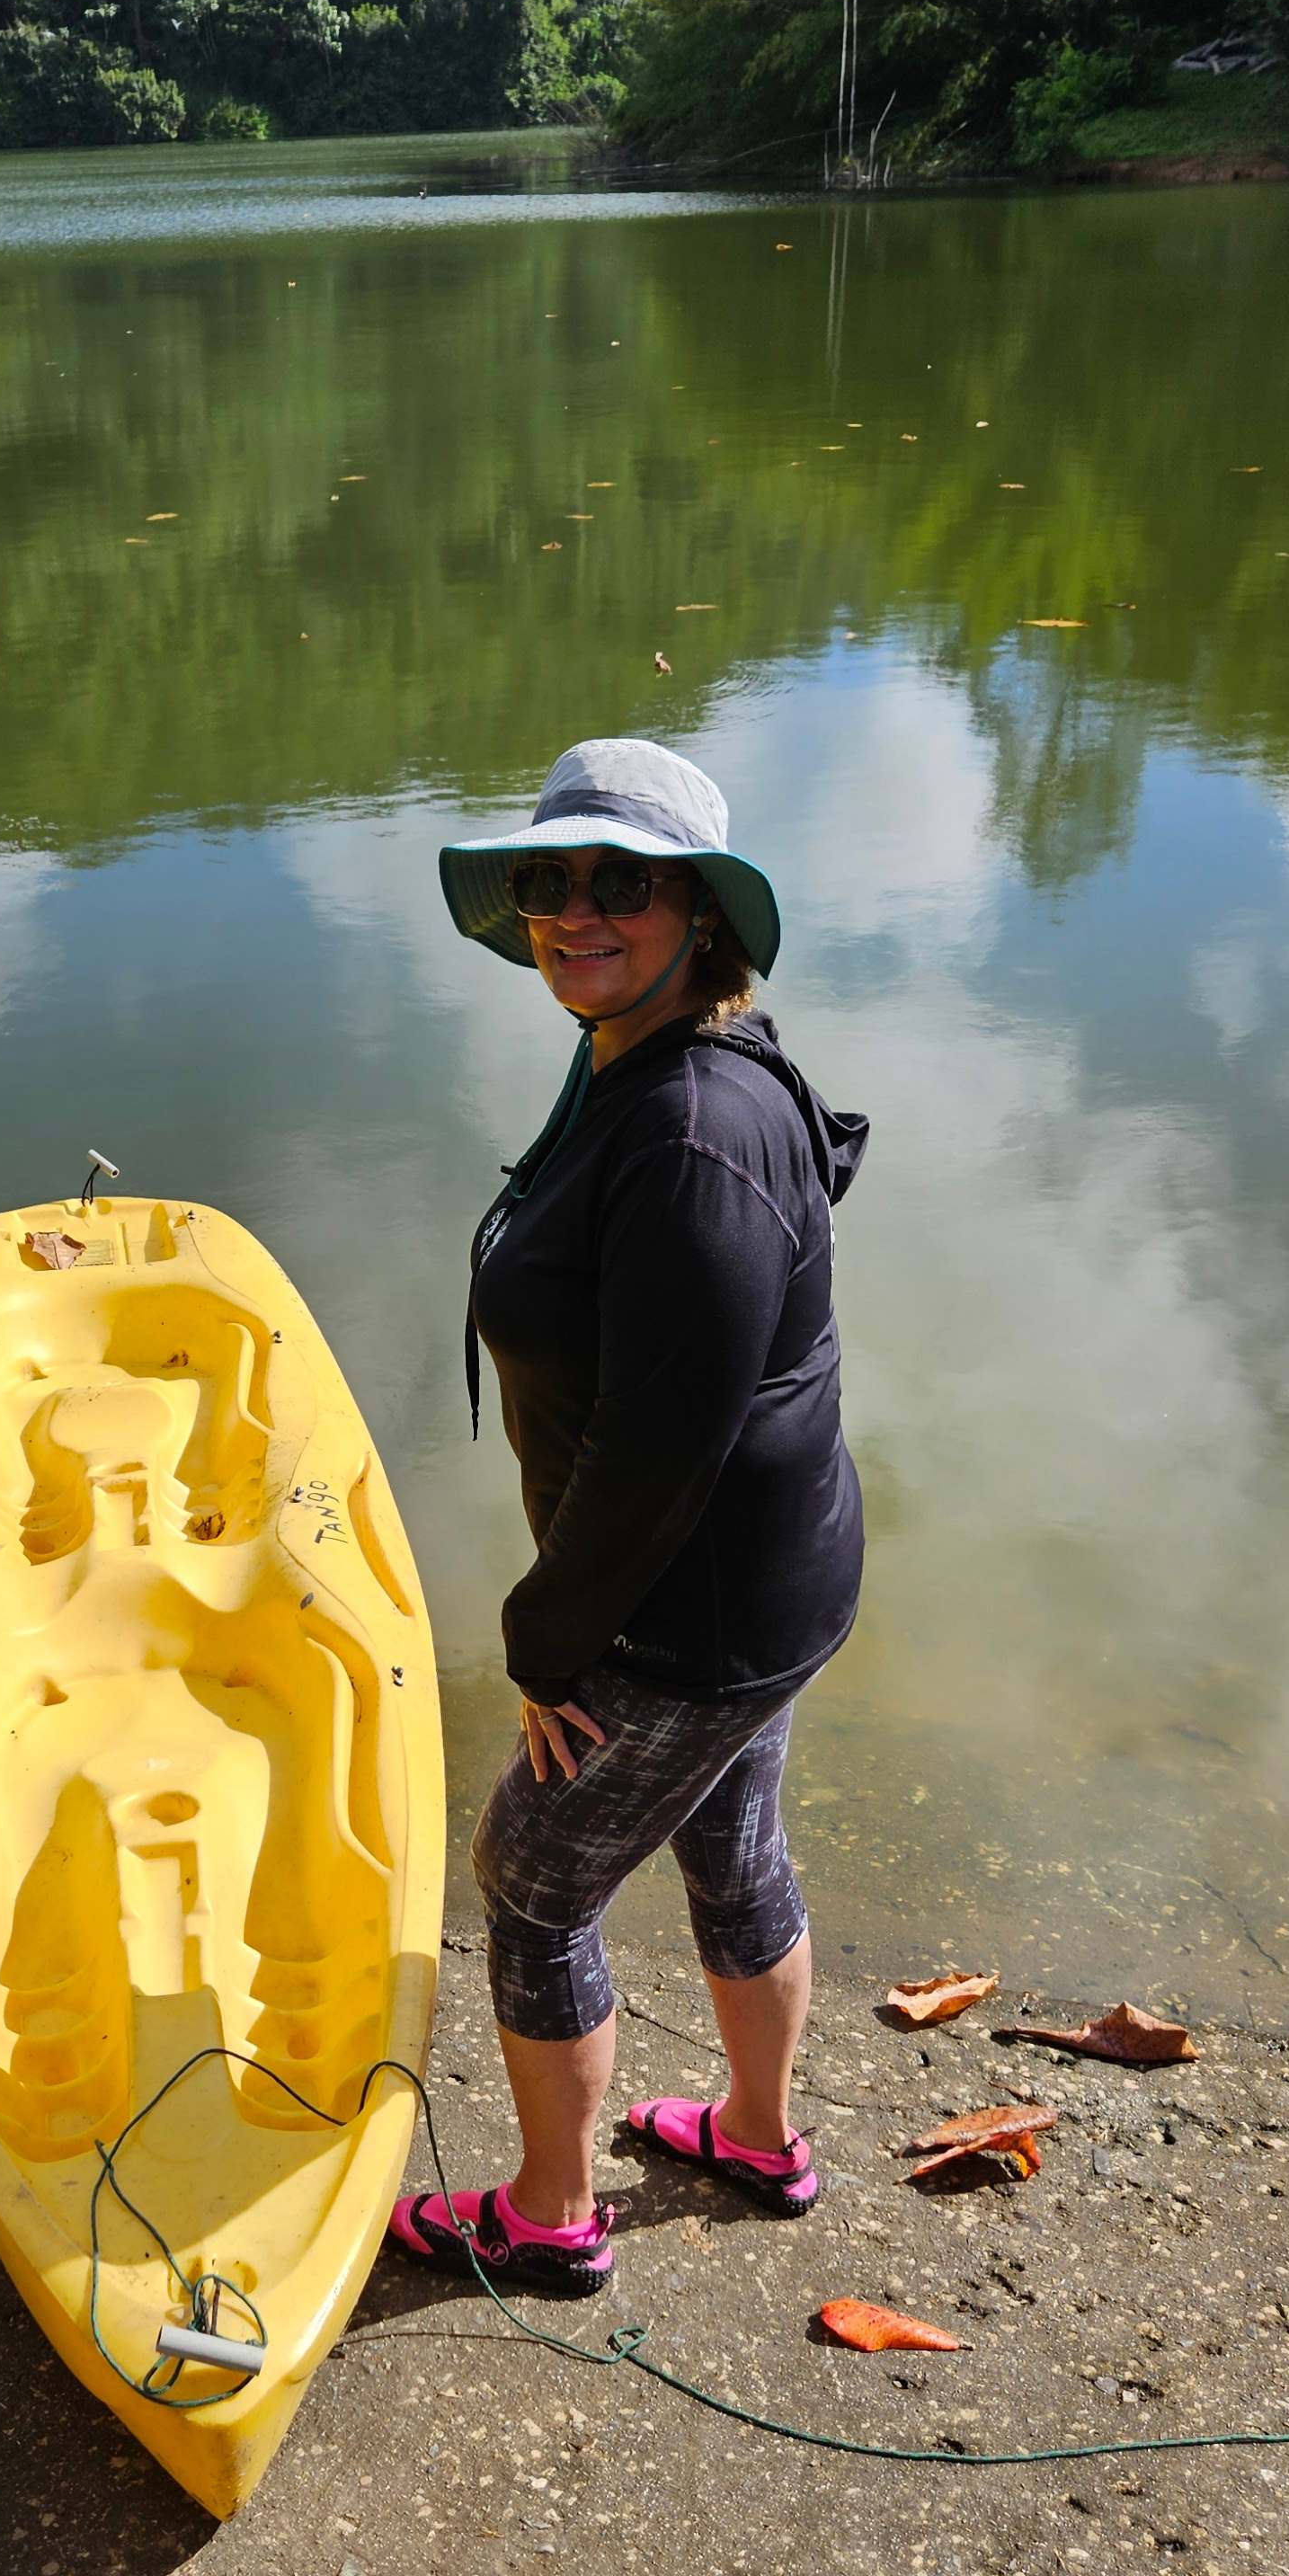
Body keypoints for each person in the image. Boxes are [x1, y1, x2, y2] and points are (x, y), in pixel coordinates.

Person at [389, 738, 867, 2295]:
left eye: (624, 885)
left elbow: (663, 1452)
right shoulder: (642, 1068)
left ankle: (544, 2215)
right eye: (550, 880)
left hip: (686, 1618)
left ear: (701, 916)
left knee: (532, 1879)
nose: (576, 913)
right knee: (733, 1845)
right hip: (766, 1598)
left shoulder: (690, 1135)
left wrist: (549, 1647)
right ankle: (757, 2134)